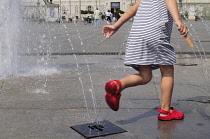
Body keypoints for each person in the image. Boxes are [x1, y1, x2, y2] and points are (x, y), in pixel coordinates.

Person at [102, 0, 188, 121]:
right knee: (167, 69)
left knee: (145, 75)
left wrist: (115, 26)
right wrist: (178, 20)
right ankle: (166, 111)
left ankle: (117, 85)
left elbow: (132, 10)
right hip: (155, 33)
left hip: (137, 35)